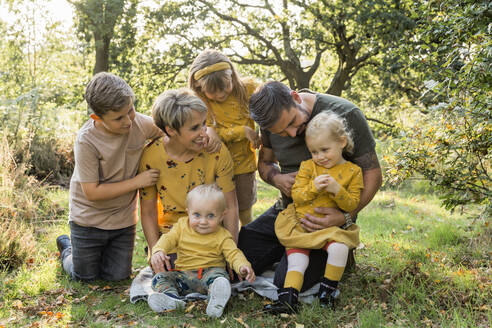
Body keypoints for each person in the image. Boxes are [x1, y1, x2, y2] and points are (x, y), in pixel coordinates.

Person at [238, 81, 382, 294]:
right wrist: (277, 178)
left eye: (293, 122)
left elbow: (373, 174)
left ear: (296, 97)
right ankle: (289, 249)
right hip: (288, 212)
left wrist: (345, 217)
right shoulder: (271, 121)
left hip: (326, 220)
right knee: (239, 253)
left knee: (285, 283)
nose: (294, 133)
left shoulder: (346, 113)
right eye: (283, 132)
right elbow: (265, 164)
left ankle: (336, 253)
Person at [56, 72, 163, 281]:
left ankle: (99, 257)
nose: (128, 121)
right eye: (118, 118)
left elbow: (167, 134)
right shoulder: (86, 141)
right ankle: (67, 250)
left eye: (130, 110)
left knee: (117, 277)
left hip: (123, 220)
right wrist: (138, 181)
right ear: (97, 117)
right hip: (88, 219)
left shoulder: (139, 123)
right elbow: (92, 192)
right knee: (84, 277)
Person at [265, 111, 363, 314]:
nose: (319, 157)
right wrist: (313, 188)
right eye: (314, 152)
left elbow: (352, 204)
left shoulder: (353, 172)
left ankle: (327, 294)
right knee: (297, 260)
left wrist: (337, 190)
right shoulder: (308, 167)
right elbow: (297, 196)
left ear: (342, 142)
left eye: (325, 150)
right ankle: (288, 299)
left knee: (340, 249)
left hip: (330, 228)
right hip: (302, 224)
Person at [138, 88, 239, 267]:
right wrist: (155, 253)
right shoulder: (150, 157)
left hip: (212, 234)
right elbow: (148, 211)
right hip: (171, 239)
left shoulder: (216, 151)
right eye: (194, 128)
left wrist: (231, 255)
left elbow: (230, 206)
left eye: (204, 124)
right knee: (176, 271)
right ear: (171, 130)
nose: (203, 133)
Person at [148, 184, 255, 317]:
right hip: (183, 276)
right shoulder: (182, 226)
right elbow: (168, 239)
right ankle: (171, 299)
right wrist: (158, 251)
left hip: (210, 274)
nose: (203, 221)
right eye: (197, 215)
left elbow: (234, 254)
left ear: (222, 216)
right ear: (188, 212)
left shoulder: (222, 235)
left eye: (210, 216)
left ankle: (216, 300)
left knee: (220, 278)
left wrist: (242, 266)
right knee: (160, 278)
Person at [189, 49, 260, 226]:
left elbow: (269, 105)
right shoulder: (199, 101)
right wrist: (241, 131)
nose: (221, 94)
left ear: (232, 76)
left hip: (244, 164)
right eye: (212, 91)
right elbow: (209, 136)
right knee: (217, 211)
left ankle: (246, 244)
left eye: (225, 87)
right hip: (214, 166)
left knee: (244, 211)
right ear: (199, 87)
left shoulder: (247, 89)